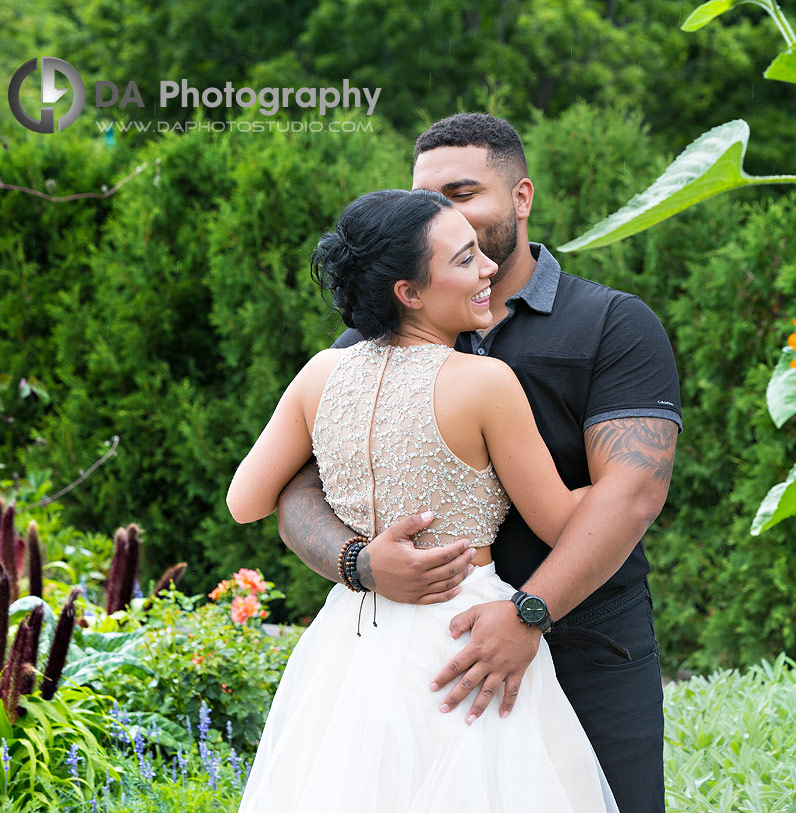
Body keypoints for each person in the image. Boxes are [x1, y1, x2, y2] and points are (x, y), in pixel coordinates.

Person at [276, 113, 680, 812]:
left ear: (521, 198)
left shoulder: (612, 324)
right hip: (421, 661)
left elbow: (634, 492)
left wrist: (528, 611)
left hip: (588, 648)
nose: (438, 212)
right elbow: (294, 488)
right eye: (426, 197)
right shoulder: (367, 342)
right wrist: (358, 562)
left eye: (461, 192)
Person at [228, 188, 618, 812]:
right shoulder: (485, 383)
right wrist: (617, 471)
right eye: (465, 259)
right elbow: (561, 522)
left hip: (351, 637)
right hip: (465, 639)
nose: (489, 267)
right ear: (408, 292)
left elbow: (245, 500)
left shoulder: (319, 377)